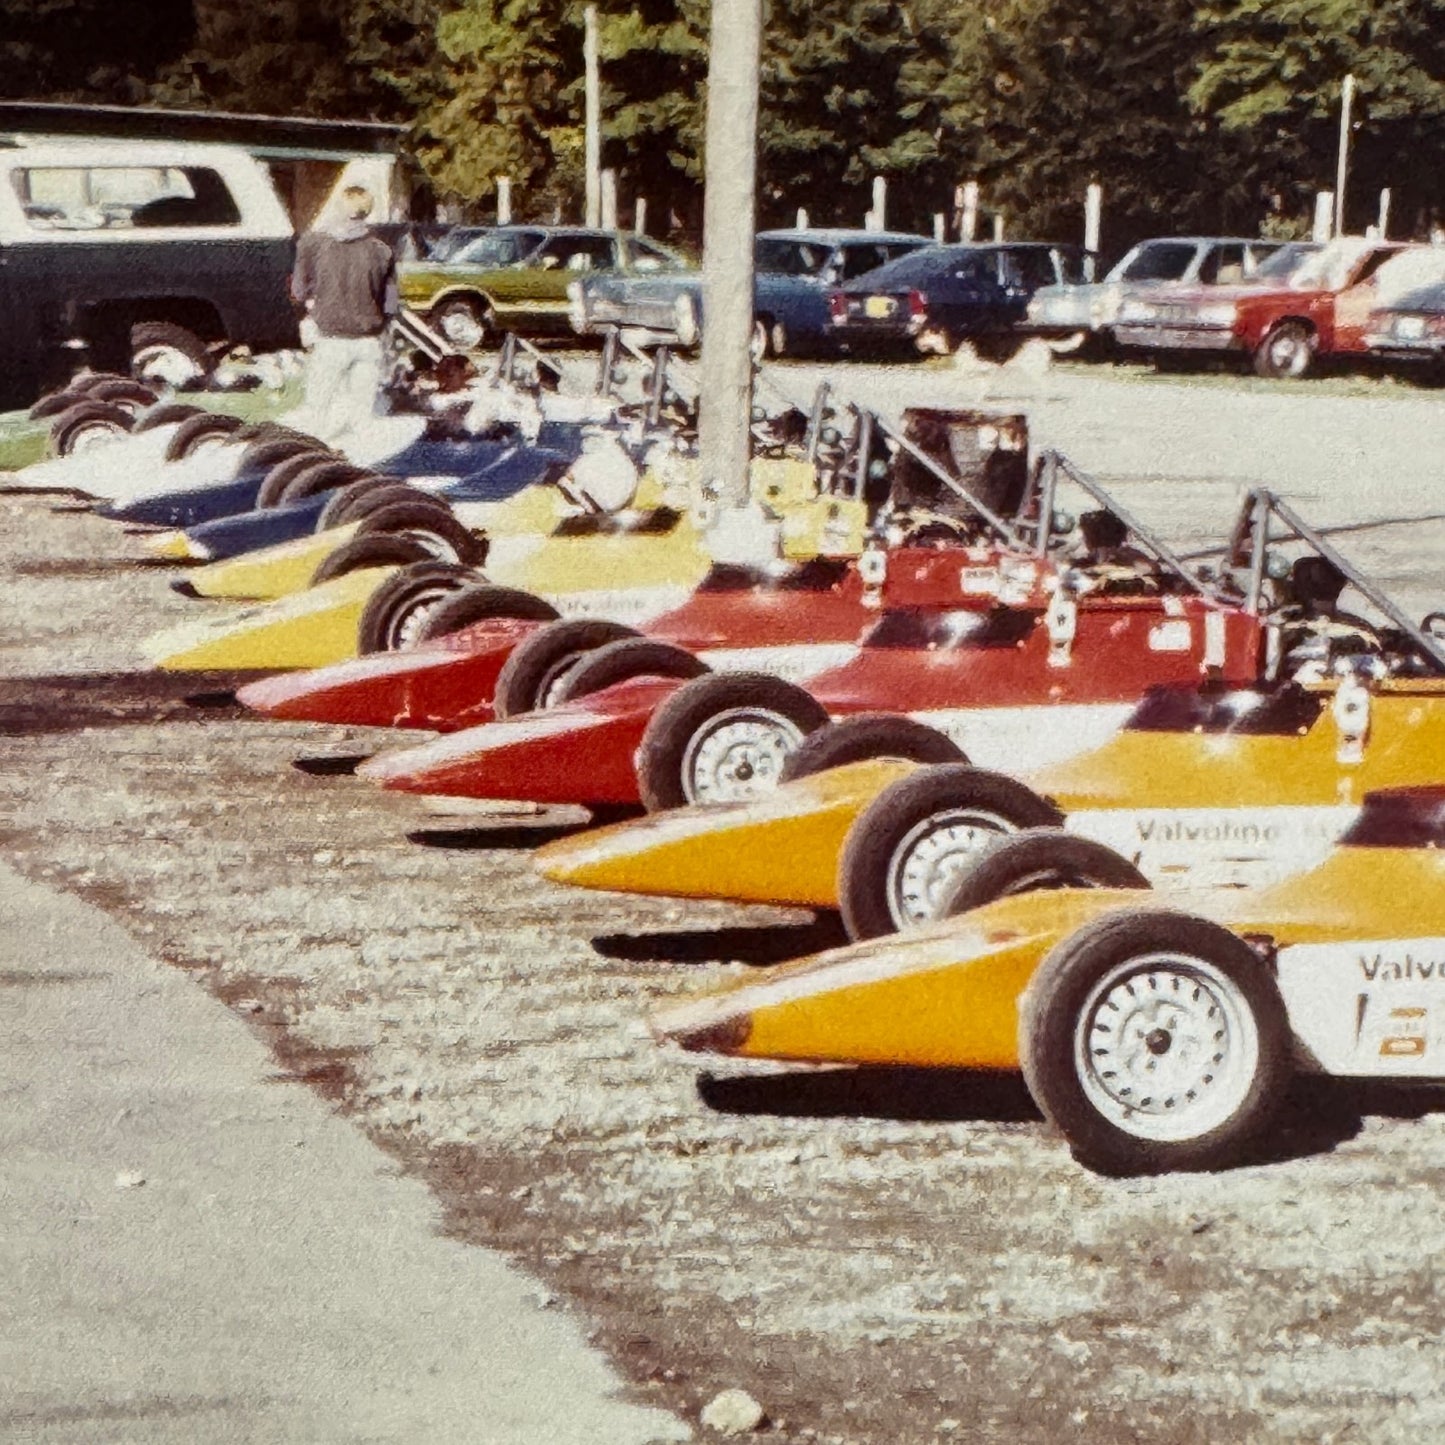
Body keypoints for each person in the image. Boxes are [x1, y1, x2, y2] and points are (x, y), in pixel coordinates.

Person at [290, 185, 398, 442]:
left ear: (339, 208)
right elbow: (391, 304)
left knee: (317, 413)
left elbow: (298, 291)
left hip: (330, 340)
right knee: (362, 422)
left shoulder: (313, 244)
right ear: (367, 211)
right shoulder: (382, 251)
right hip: (368, 341)